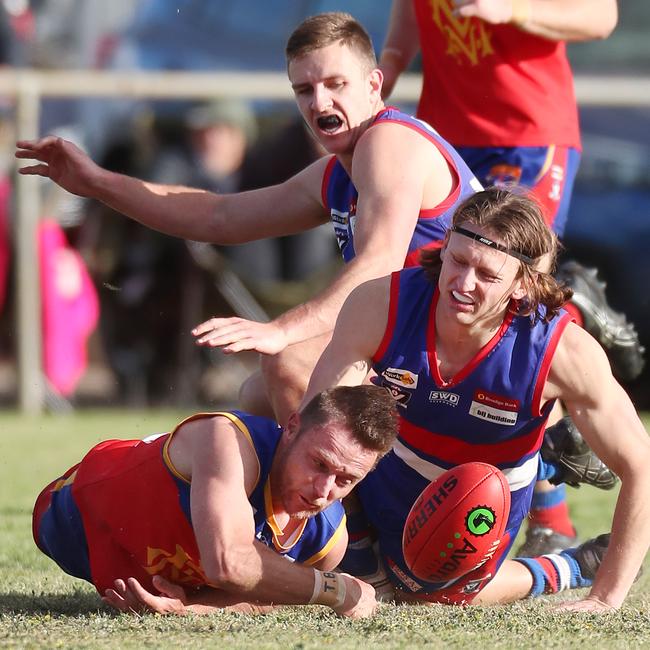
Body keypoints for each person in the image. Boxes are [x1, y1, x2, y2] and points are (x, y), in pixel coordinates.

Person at [15, 11, 483, 425]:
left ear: (374, 85)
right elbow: (219, 215)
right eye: (304, 90)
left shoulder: (388, 144)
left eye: (335, 84)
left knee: (288, 365)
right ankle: (346, 508)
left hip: (473, 351)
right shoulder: (336, 171)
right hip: (429, 342)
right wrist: (98, 181)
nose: (319, 104)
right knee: (257, 396)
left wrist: (280, 330)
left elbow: (378, 264)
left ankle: (347, 522)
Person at [378, 0, 645, 555]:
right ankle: (549, 509)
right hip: (448, 130)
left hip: (527, 128)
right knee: (444, 296)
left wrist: (512, 9)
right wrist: (385, 76)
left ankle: (577, 318)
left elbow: (601, 18)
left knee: (516, 293)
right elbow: (408, 18)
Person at [301, 188, 650, 611]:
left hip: (477, 503)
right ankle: (360, 552)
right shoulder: (381, 303)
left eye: (487, 275)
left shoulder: (561, 350)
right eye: (459, 261)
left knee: (427, 599)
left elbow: (641, 467)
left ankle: (569, 567)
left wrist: (607, 598)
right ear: (444, 246)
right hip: (387, 474)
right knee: (299, 397)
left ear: (523, 284)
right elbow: (317, 425)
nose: (463, 284)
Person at [32, 385, 398, 617]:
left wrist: (187, 609)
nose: (323, 489)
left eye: (345, 480)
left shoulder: (326, 542)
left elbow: (264, 596)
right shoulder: (228, 438)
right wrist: (337, 589)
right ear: (291, 428)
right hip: (71, 517)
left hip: (143, 571)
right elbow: (229, 564)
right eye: (319, 463)